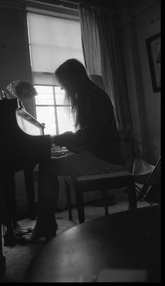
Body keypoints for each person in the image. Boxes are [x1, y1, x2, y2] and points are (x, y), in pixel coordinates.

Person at [29, 59, 123, 243]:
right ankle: (47, 222)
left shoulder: (94, 97)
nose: (63, 89)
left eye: (63, 85)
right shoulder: (90, 95)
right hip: (98, 153)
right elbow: (86, 138)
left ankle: (44, 224)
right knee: (49, 165)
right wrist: (61, 140)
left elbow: (87, 138)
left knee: (47, 168)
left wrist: (57, 139)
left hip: (105, 159)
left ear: (72, 80)